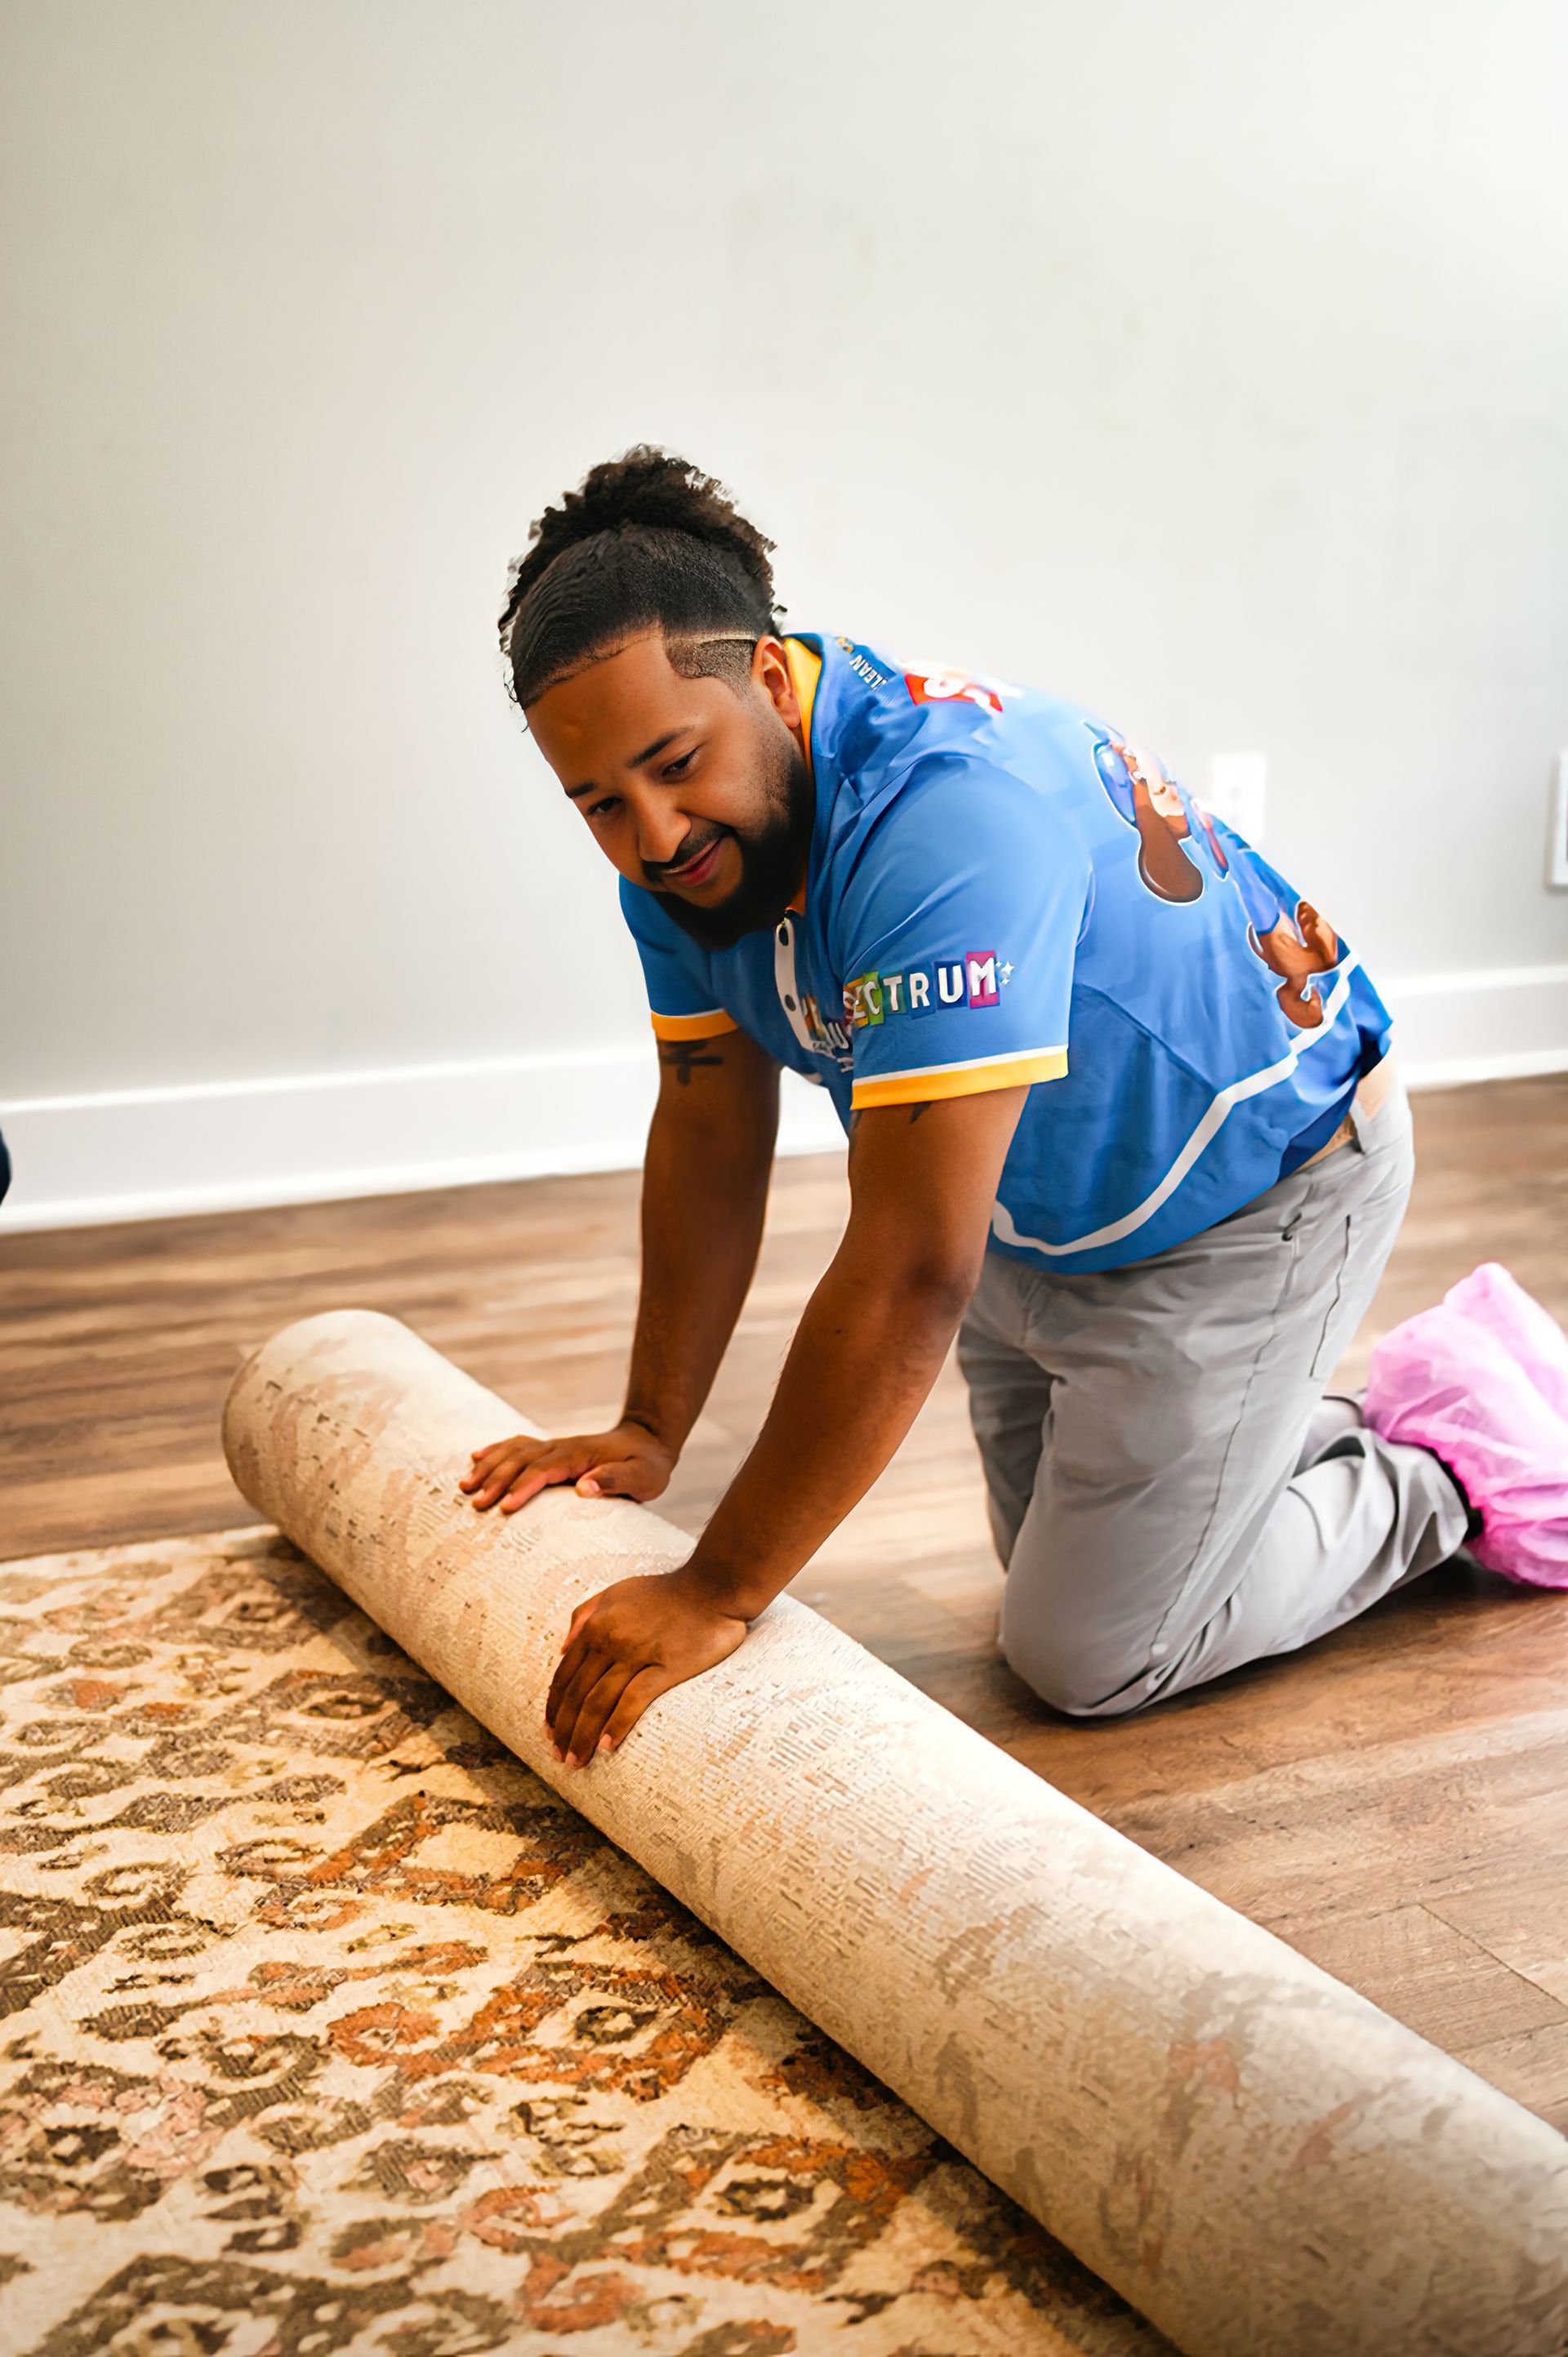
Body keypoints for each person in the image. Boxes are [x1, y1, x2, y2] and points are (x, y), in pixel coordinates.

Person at [464, 448, 1565, 1771]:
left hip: (1252, 1194)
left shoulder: (948, 825)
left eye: (671, 765)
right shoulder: (688, 846)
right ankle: (1270, 1434)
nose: (650, 837)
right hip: (1035, 1215)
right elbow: (707, 1123)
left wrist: (717, 1591)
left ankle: (1455, 1463)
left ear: (765, 676)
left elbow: (914, 1268)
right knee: (1051, 1563)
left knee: (1092, 1653)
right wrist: (649, 1428)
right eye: (598, 802)